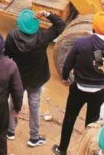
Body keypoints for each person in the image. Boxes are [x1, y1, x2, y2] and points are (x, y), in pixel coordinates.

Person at [54, 13, 104, 155]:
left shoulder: (81, 43)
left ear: (93, 27)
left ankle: (62, 150)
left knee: (70, 118)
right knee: (91, 123)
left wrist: (65, 78)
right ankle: (85, 154)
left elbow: (68, 63)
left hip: (79, 88)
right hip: (99, 92)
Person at [5, 9, 65, 147]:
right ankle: (34, 137)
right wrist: (47, 14)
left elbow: (6, 55)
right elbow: (61, 25)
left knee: (13, 103)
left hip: (17, 77)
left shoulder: (11, 36)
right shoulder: (43, 37)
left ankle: (10, 131)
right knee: (35, 105)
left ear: (19, 24)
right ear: (35, 26)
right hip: (37, 78)